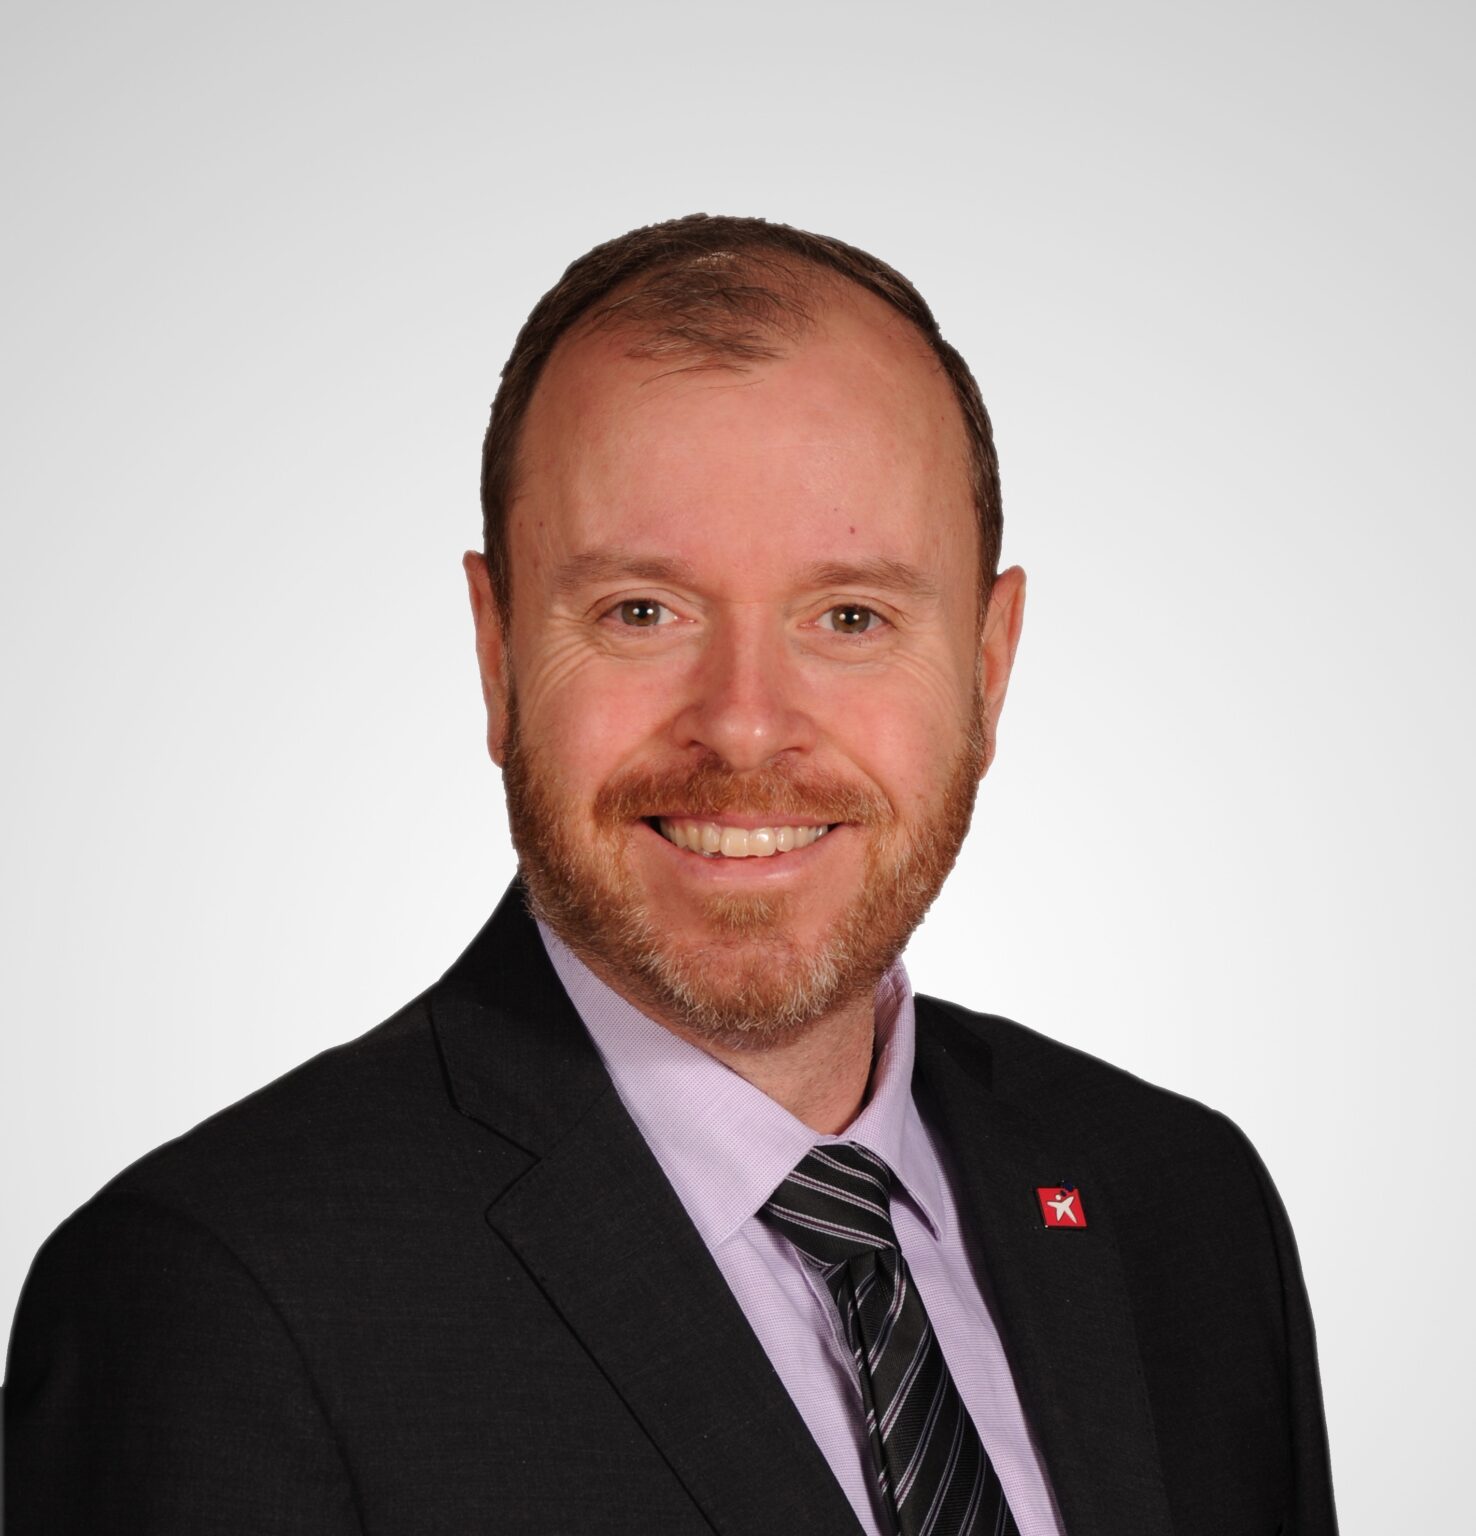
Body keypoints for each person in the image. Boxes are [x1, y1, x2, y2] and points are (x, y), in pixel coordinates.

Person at [4, 214, 1338, 1535]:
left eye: (851, 616)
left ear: (988, 671)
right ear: (499, 655)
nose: (745, 726)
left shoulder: (1185, 1208)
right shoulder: (216, 1298)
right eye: (642, 611)